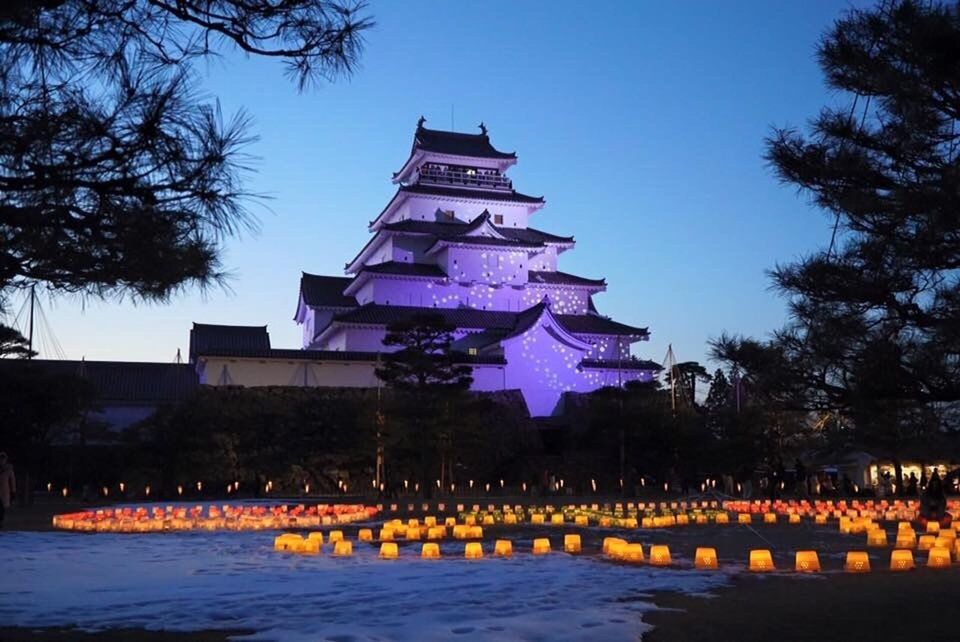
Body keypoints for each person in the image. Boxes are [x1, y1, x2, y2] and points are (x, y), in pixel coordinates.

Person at [0, 452, 15, 528]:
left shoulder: (9, 470)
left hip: (4, 492)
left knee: (2, 508)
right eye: (0, 459)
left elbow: (12, 481)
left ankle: (1, 522)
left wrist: (13, 492)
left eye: (3, 459)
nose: (1, 461)